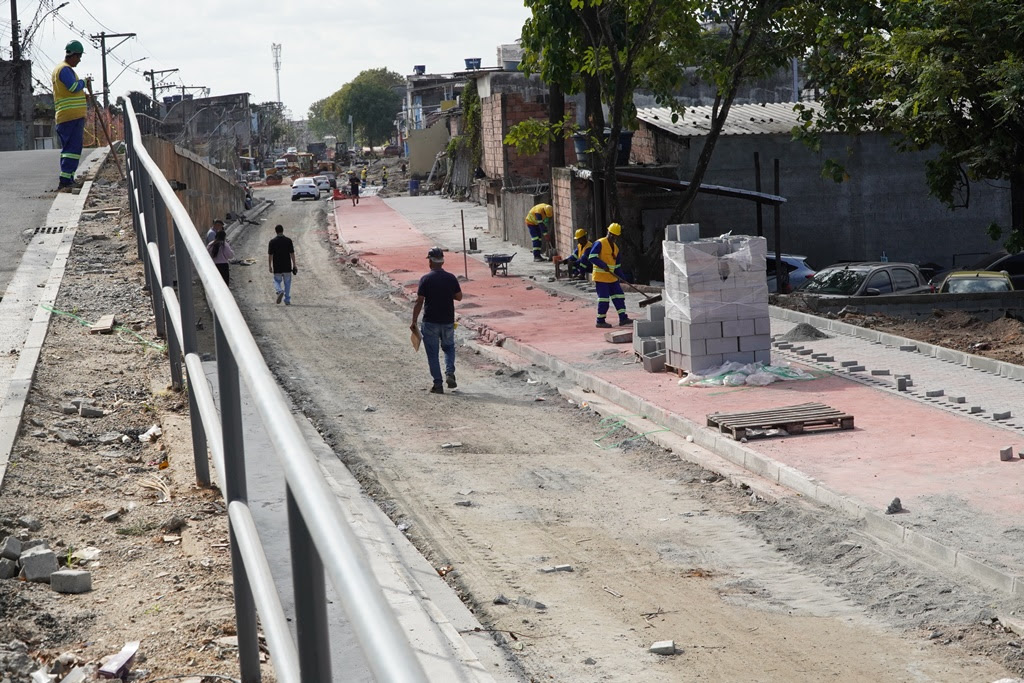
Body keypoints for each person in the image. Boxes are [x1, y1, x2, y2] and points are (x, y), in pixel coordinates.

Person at [410, 247, 463, 394]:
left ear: (431, 262)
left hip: (430, 322)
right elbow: (459, 297)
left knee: (432, 353)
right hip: (447, 321)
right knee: (449, 347)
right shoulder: (451, 278)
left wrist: (414, 320)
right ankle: (449, 372)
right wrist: (446, 294)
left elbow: (419, 301)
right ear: (442, 261)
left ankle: (438, 384)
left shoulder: (425, 279)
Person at [52, 40, 89, 192]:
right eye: (79, 57)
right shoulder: (65, 70)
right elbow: (73, 87)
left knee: (71, 149)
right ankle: (66, 181)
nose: (79, 60)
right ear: (73, 55)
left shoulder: (61, 70)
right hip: (70, 118)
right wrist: (84, 83)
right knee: (72, 149)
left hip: (69, 117)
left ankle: (68, 178)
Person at [588, 223, 632, 328]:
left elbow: (617, 266)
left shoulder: (616, 249)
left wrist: (622, 278)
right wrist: (603, 265)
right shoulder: (600, 243)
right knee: (604, 299)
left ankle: (623, 318)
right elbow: (592, 257)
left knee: (619, 297)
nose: (612, 237)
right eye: (611, 234)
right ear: (608, 232)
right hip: (601, 278)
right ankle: (600, 320)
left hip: (612, 278)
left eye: (614, 236)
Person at [268, 224, 297, 305]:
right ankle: (287, 300)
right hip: (287, 266)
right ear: (282, 230)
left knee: (276, 281)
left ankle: (279, 290)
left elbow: (270, 255)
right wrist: (294, 264)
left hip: (277, 266)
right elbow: (292, 253)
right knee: (287, 283)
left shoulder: (272, 242)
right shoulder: (288, 240)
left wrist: (270, 266)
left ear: (276, 231)